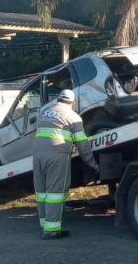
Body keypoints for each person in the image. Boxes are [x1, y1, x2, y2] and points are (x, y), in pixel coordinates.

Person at [32, 89, 98, 240]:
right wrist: (92, 164)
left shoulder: (45, 112)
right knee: (55, 193)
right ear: (72, 103)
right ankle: (51, 231)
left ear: (58, 99)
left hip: (37, 155)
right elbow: (82, 144)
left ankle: (44, 225)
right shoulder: (73, 116)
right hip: (57, 154)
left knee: (42, 192)